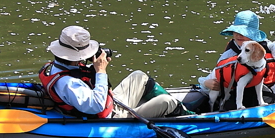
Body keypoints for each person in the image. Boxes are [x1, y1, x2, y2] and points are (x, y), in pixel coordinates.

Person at [39, 26, 186, 119]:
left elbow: (84, 79)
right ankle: (191, 116)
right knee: (167, 102)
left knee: (138, 76)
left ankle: (180, 109)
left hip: (110, 102)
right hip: (112, 116)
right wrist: (101, 71)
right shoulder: (68, 83)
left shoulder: (60, 67)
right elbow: (95, 106)